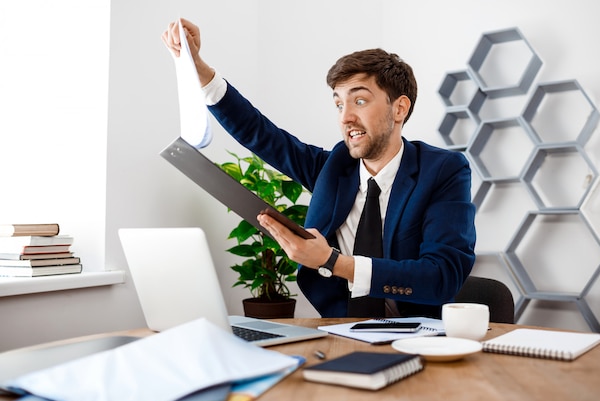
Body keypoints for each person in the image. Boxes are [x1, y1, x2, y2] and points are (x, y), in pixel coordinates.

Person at [162, 19, 476, 318]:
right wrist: (199, 70)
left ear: (399, 108)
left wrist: (332, 261)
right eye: (339, 104)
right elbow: (263, 136)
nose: (345, 117)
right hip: (340, 330)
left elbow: (442, 276)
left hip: (418, 338)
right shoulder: (335, 169)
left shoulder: (443, 171)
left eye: (360, 101)